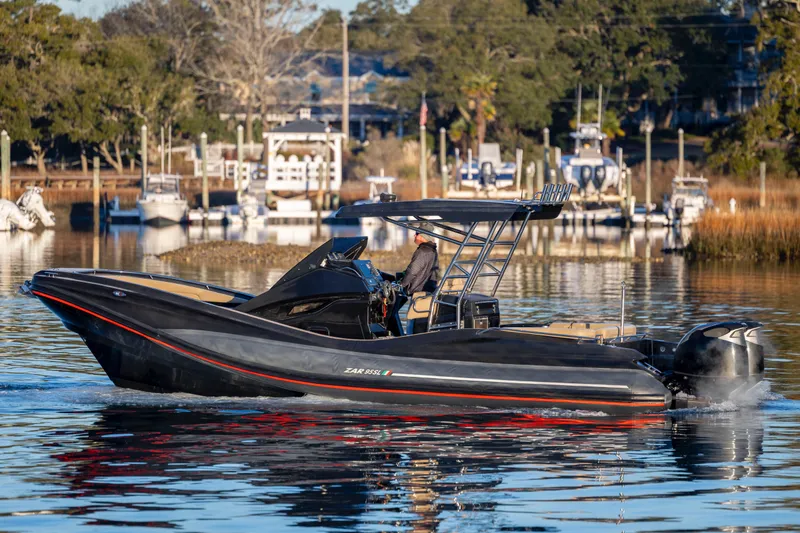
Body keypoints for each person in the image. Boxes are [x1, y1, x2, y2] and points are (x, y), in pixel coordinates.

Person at [399, 222, 439, 295]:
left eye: (416, 233)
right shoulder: (433, 250)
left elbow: (412, 271)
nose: (414, 235)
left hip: (418, 291)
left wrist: (401, 285)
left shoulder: (422, 251)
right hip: (429, 290)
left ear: (422, 236)